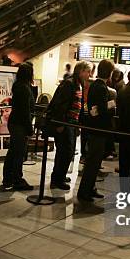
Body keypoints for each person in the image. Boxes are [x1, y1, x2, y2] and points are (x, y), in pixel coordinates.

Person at [46, 61, 91, 190]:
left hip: (72, 122)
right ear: (81, 71)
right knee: (65, 151)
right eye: (88, 71)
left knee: (67, 151)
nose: (89, 74)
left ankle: (60, 175)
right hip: (65, 122)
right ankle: (57, 179)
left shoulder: (78, 84)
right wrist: (60, 123)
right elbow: (60, 105)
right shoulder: (69, 84)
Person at [78, 59, 114, 203]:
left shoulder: (94, 85)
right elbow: (102, 110)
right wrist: (112, 105)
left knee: (93, 161)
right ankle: (85, 191)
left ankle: (90, 188)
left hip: (93, 128)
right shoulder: (101, 87)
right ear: (110, 72)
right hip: (98, 129)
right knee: (93, 162)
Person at [3, 63, 35, 190]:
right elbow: (25, 111)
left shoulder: (18, 86)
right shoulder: (24, 88)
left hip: (15, 122)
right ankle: (17, 179)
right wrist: (29, 128)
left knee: (13, 151)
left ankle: (8, 178)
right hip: (20, 125)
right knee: (18, 153)